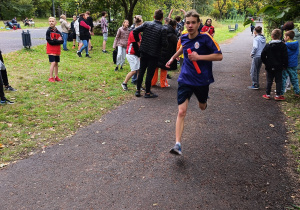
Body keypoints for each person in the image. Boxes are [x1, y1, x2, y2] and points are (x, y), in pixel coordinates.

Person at [165, 10, 223, 155]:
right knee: (181, 111)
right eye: (187, 22)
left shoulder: (206, 38)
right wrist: (173, 58)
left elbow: (219, 56)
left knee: (202, 106)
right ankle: (177, 144)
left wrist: (199, 57)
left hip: (202, 79)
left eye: (193, 22)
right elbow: (182, 47)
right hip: (185, 78)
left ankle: (203, 101)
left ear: (198, 24)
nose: (190, 25)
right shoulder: (183, 36)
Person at [133, 9, 168, 98]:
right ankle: (147, 92)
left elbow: (135, 31)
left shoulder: (147, 24)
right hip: (154, 54)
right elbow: (164, 44)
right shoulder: (163, 28)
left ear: (154, 17)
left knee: (141, 71)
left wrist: (138, 41)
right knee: (149, 73)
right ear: (162, 18)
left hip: (144, 51)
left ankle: (138, 90)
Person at [261, 29, 288, 100]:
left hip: (269, 66)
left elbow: (262, 55)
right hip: (279, 66)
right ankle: (278, 95)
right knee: (279, 81)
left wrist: (265, 62)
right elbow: (285, 56)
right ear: (280, 35)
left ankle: (268, 94)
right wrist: (285, 65)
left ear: (272, 36)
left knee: (269, 80)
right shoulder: (283, 45)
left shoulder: (268, 45)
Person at [151, 18, 177, 88]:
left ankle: (153, 82)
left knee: (155, 67)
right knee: (164, 68)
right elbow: (177, 44)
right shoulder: (173, 35)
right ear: (174, 26)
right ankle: (163, 84)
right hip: (167, 53)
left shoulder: (161, 29)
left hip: (158, 51)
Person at [121, 16, 143, 91]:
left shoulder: (139, 32)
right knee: (134, 70)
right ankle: (124, 83)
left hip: (135, 53)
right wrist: (139, 55)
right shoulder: (134, 32)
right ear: (139, 24)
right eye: (142, 24)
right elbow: (135, 46)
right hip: (131, 54)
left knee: (139, 69)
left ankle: (139, 85)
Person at [281, 30, 300, 98]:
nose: (284, 38)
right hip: (294, 64)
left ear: (288, 37)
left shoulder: (285, 45)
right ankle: (297, 92)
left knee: (283, 79)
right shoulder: (296, 44)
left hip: (286, 64)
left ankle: (281, 93)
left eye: (285, 37)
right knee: (294, 78)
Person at [46, 17, 64, 82]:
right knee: (53, 63)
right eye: (50, 21)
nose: (51, 22)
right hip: (50, 50)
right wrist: (56, 40)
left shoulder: (58, 32)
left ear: (55, 23)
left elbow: (62, 41)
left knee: (56, 63)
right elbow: (49, 41)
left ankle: (56, 76)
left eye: (52, 21)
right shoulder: (48, 31)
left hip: (57, 50)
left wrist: (54, 40)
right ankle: (51, 77)